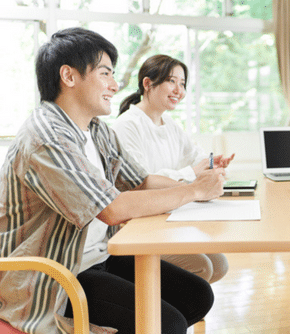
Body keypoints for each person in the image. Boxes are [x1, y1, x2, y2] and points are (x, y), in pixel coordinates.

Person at [0, 27, 224, 334]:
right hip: (54, 275)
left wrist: (199, 186)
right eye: (105, 74)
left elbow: (140, 181)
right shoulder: (46, 136)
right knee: (167, 324)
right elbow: (111, 209)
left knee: (197, 295)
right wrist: (193, 189)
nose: (115, 85)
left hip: (96, 257)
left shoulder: (96, 129)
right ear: (69, 76)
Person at [112, 54, 233, 283]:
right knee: (202, 268)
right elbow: (141, 182)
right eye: (172, 81)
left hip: (168, 215)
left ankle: (178, 312)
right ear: (147, 84)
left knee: (219, 265)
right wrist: (192, 174)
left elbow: (194, 155)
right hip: (139, 222)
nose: (179, 89)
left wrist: (211, 163)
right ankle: (159, 316)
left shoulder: (170, 124)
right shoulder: (126, 125)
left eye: (183, 83)